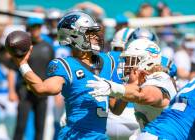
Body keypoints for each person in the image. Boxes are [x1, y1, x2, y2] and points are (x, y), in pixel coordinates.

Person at [11, 11, 123, 139]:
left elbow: (116, 109)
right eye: (89, 33)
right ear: (73, 36)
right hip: (75, 136)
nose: (95, 36)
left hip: (100, 136)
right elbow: (41, 89)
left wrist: (127, 86)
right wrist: (22, 64)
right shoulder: (65, 65)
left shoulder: (108, 61)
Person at [86, 39, 177, 131]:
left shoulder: (160, 77)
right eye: (126, 61)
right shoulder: (141, 81)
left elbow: (146, 96)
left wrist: (114, 88)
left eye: (132, 61)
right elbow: (117, 110)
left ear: (147, 61)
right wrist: (125, 86)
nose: (126, 66)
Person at [13, 17, 54, 140]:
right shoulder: (23, 46)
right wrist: (12, 91)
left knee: (40, 127)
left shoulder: (48, 46)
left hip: (42, 92)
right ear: (29, 29)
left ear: (41, 28)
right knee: (20, 125)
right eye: (33, 27)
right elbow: (12, 69)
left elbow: (52, 69)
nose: (36, 29)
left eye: (38, 26)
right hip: (25, 91)